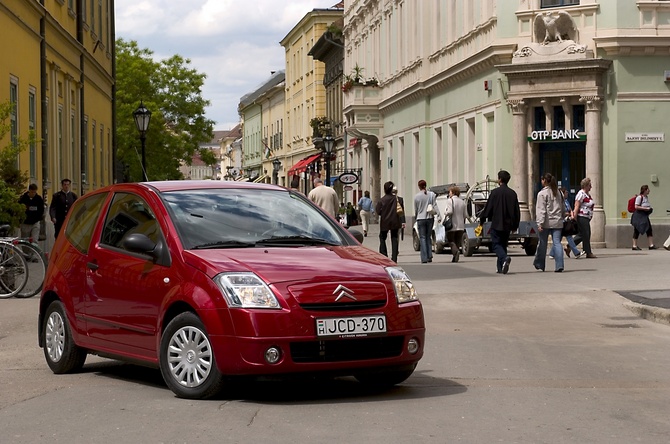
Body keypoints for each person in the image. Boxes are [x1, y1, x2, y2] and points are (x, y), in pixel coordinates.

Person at [479, 170, 520, 274]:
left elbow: (488, 208)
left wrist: (482, 220)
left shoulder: (495, 193)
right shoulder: (512, 193)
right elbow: (516, 211)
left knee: (496, 245)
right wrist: (515, 225)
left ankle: (505, 258)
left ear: (500, 179)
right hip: (507, 224)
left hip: (497, 223)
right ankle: (500, 267)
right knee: (503, 244)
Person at [533, 173, 565, 272]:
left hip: (546, 222)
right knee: (557, 243)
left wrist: (540, 223)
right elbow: (562, 207)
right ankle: (559, 265)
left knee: (543, 243)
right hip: (557, 222)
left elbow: (541, 210)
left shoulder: (542, 194)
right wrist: (562, 217)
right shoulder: (559, 193)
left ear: (544, 181)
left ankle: (540, 264)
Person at [376, 181, 404, 262]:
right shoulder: (398, 199)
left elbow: (378, 211)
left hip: (385, 221)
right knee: (394, 238)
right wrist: (402, 221)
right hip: (395, 221)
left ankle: (384, 254)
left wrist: (384, 213)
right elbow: (401, 211)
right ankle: (394, 258)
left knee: (382, 237)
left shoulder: (382, 200)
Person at [413, 180, 437, 264]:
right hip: (430, 218)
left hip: (420, 219)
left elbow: (416, 209)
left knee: (422, 238)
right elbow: (435, 206)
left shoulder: (416, 197)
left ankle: (424, 258)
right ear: (425, 185)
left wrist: (416, 218)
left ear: (419, 186)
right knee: (428, 237)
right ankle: (429, 255)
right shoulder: (432, 195)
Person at [572, 177, 596, 258]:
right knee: (586, 234)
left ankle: (569, 246)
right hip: (581, 217)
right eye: (589, 185)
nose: (591, 187)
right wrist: (574, 217)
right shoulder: (581, 194)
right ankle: (588, 252)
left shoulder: (587, 195)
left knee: (582, 234)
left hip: (586, 217)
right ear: (585, 186)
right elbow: (577, 205)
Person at [443, 185, 468, 263]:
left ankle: (456, 252)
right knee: (457, 241)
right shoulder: (462, 202)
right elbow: (465, 215)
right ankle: (455, 257)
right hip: (460, 225)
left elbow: (450, 211)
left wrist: (445, 212)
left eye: (449, 192)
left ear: (453, 192)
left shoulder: (450, 200)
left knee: (450, 239)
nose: (449, 193)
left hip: (452, 224)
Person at [558, 186, 584, 259]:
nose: (567, 193)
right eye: (566, 192)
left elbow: (570, 209)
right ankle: (576, 253)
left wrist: (572, 214)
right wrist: (568, 214)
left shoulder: (566, 201)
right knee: (568, 237)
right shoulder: (560, 201)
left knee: (559, 239)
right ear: (562, 193)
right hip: (561, 222)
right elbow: (561, 212)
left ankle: (552, 253)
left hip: (566, 222)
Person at [631, 184, 657, 250]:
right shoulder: (639, 197)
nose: (649, 191)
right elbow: (636, 206)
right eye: (648, 189)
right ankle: (634, 246)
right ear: (645, 190)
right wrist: (645, 208)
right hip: (639, 215)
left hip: (644, 216)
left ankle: (651, 245)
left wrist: (649, 209)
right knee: (637, 230)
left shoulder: (646, 197)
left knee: (649, 229)